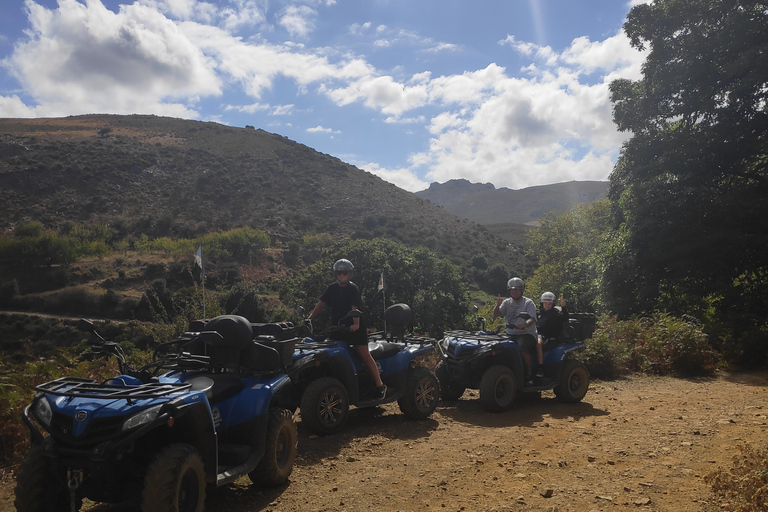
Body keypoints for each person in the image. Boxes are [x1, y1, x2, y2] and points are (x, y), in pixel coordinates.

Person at [307, 258, 387, 399]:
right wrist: (309, 318)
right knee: (332, 355)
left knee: (364, 353)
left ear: (350, 274)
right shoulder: (332, 288)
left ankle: (380, 385)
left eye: (345, 273)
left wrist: (355, 324)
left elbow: (354, 308)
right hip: (337, 327)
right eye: (339, 273)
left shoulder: (353, 288)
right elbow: (321, 303)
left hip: (354, 328)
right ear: (335, 274)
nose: (342, 275)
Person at [493, 277, 538, 385]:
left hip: (526, 334)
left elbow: (532, 318)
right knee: (496, 347)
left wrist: (525, 325)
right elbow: (497, 314)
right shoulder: (507, 302)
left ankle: (528, 375)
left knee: (522, 348)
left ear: (522, 290)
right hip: (510, 333)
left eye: (517, 289)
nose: (514, 291)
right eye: (512, 290)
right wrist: (498, 305)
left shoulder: (528, 303)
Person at [535, 292, 569, 377]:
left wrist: (563, 306)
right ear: (542, 303)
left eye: (549, 304)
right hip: (533, 332)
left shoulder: (555, 313)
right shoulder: (538, 313)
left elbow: (565, 318)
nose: (547, 305)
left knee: (538, 343)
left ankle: (540, 368)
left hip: (546, 335)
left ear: (553, 304)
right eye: (545, 303)